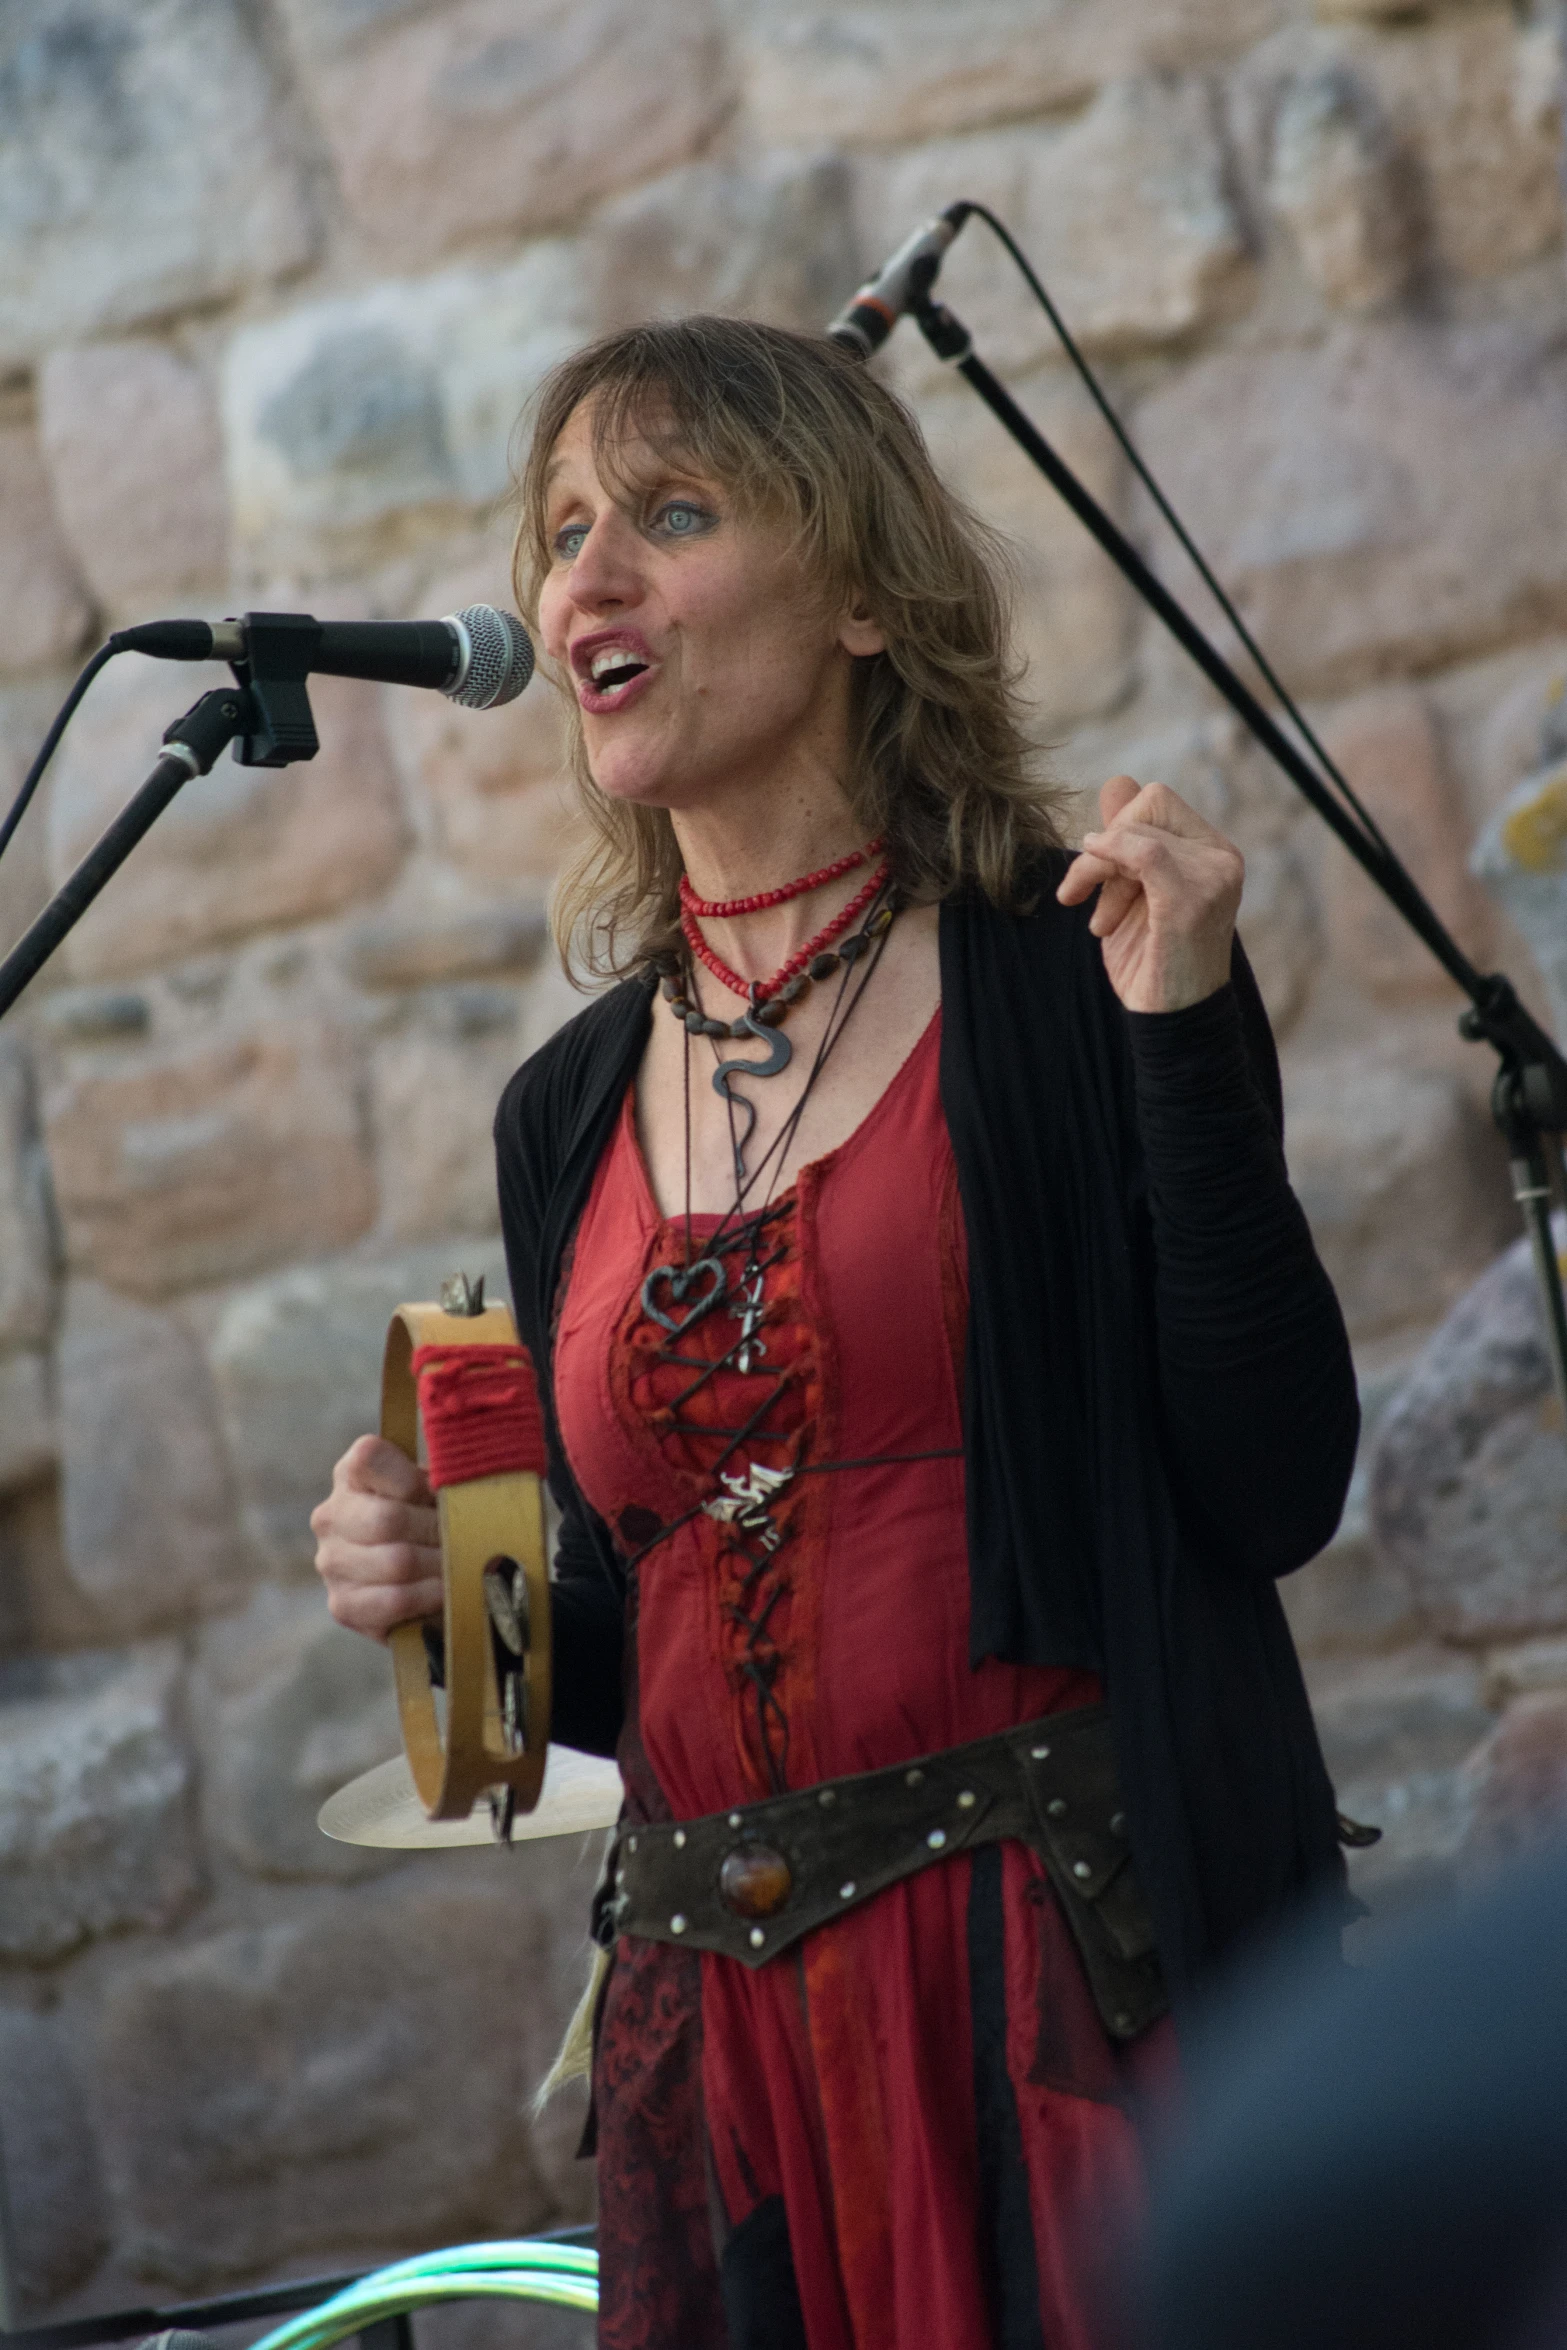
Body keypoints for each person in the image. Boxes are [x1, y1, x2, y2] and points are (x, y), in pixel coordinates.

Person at [312, 317, 1359, 2350]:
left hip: (1065, 1971)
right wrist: (444, 1602)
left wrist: (1189, 1047)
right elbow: (640, 1655)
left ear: (869, 593)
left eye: (671, 517)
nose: (583, 584)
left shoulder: (1073, 986)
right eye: (564, 532)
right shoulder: (563, 1109)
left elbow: (1277, 1476)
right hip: (728, 2040)